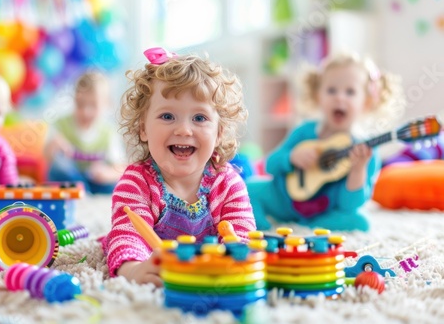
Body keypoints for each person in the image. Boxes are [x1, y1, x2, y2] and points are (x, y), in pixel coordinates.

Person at [102, 47, 256, 286]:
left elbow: (243, 237)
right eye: (167, 116)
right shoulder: (136, 182)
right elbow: (128, 235)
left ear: (219, 133)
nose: (184, 130)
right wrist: (133, 270)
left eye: (199, 118)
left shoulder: (228, 183)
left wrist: (233, 262)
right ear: (143, 128)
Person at [247, 52, 404, 232]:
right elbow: (270, 165)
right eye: (331, 90)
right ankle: (262, 230)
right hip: (284, 200)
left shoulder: (366, 150)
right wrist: (291, 157)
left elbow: (349, 205)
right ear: (318, 96)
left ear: (366, 103)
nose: (339, 97)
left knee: (360, 222)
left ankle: (309, 224)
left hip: (324, 212)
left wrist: (357, 170)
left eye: (350, 92)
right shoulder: (305, 131)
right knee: (248, 188)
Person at [45, 71, 126, 194]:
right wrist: (53, 146)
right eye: (80, 104)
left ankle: (83, 190)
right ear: (74, 100)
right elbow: (48, 157)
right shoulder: (61, 125)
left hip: (95, 180)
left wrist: (107, 174)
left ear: (106, 104)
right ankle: (81, 189)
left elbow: (120, 167)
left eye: (93, 105)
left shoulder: (108, 132)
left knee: (115, 186)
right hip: (68, 177)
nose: (86, 111)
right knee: (58, 169)